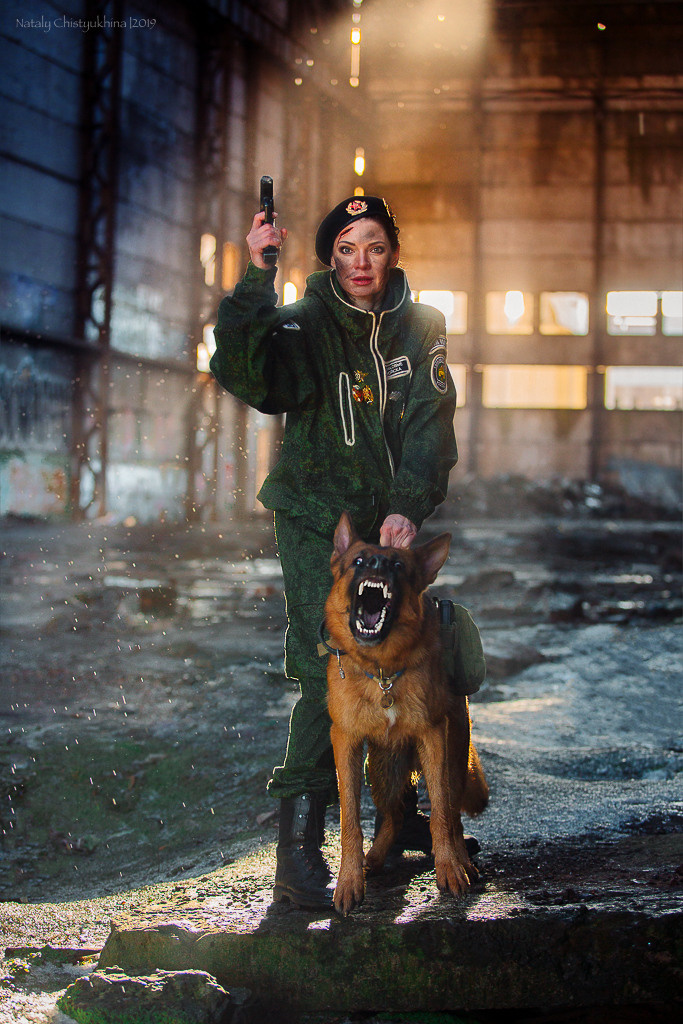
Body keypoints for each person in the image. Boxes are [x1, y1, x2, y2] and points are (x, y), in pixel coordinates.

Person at [210, 195, 458, 909]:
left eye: (373, 246)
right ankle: (298, 852)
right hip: (320, 523)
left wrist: (409, 507)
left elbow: (430, 428)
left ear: (393, 253)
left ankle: (402, 820)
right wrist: (257, 277)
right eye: (345, 248)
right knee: (336, 663)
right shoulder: (305, 321)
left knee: (415, 659)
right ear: (328, 258)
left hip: (392, 529)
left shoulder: (424, 328)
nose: (360, 262)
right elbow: (247, 375)